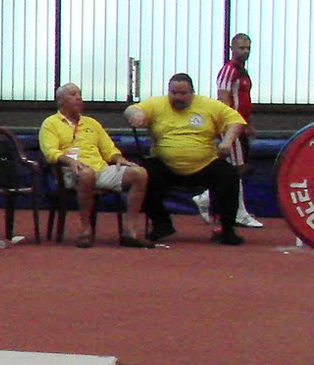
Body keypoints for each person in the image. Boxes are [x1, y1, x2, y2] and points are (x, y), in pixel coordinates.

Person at [123, 72, 247, 245]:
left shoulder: (209, 105)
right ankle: (161, 224)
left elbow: (236, 119)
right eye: (174, 93)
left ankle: (227, 229)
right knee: (143, 175)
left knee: (229, 176)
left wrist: (227, 142)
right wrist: (134, 114)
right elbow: (131, 109)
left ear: (192, 93)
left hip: (204, 164)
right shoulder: (157, 104)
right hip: (166, 166)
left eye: (183, 93)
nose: (178, 97)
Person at [38, 82, 153, 248]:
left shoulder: (92, 123)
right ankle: (86, 229)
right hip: (70, 171)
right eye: (73, 94)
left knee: (140, 173)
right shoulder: (50, 124)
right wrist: (71, 161)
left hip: (100, 169)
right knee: (86, 174)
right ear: (60, 101)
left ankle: (130, 231)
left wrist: (118, 157)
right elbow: (50, 152)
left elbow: (108, 149)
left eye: (79, 95)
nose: (78, 98)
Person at [195, 32, 263, 228]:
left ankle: (206, 199)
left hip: (240, 126)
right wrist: (229, 125)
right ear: (232, 49)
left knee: (237, 169)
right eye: (241, 48)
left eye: (248, 48)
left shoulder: (243, 73)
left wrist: (247, 124)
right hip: (231, 128)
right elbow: (223, 98)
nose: (245, 51)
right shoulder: (228, 70)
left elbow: (243, 102)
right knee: (236, 169)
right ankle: (238, 213)